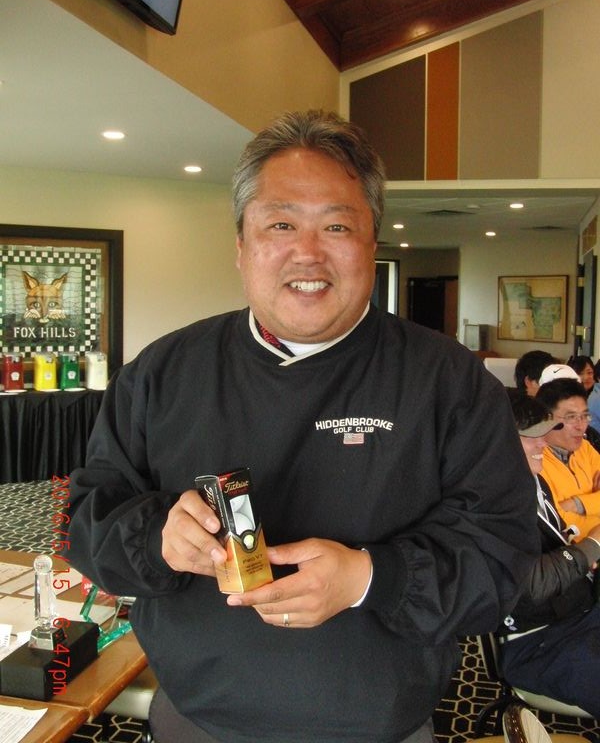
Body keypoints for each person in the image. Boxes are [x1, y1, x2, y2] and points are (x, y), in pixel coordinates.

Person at [65, 109, 539, 743]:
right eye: (281, 224)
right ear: (241, 246)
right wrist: (159, 540)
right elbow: (89, 521)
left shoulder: (449, 380)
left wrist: (371, 578)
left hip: (379, 728)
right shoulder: (162, 372)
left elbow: (502, 559)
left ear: (372, 243)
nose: (308, 253)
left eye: (337, 226)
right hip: (197, 720)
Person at [497, 393, 600, 717]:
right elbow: (533, 583)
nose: (543, 444)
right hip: (536, 641)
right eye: (531, 437)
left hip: (576, 614)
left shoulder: (534, 481)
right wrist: (592, 545)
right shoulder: (491, 502)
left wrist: (579, 548)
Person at [537, 374, 600, 540]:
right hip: (574, 553)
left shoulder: (585, 448)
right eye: (571, 417)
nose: (581, 426)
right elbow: (560, 525)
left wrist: (577, 504)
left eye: (584, 416)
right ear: (546, 418)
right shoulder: (535, 459)